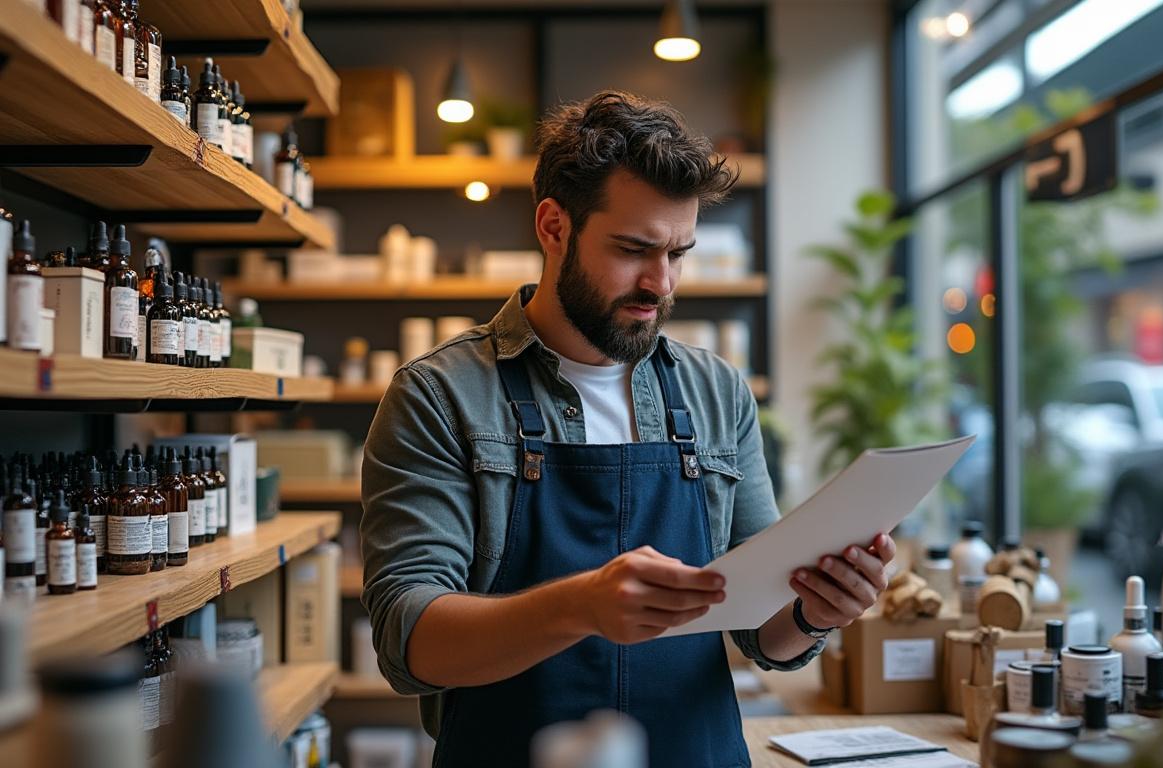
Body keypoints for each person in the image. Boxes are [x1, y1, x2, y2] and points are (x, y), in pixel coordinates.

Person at [360, 91, 899, 767]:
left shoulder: (716, 392)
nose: (660, 283)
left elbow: (768, 635)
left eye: (678, 253)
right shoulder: (441, 396)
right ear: (554, 227)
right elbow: (409, 642)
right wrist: (579, 606)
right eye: (634, 249)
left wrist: (818, 610)